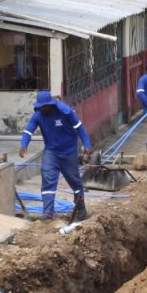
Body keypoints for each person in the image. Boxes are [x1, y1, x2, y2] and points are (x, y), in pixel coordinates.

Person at [19, 91, 92, 220]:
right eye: (40, 106)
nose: (43, 108)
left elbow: (79, 127)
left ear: (50, 104)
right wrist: (24, 144)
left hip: (69, 152)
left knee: (75, 182)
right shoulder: (38, 115)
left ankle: (81, 211)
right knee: (47, 179)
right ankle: (47, 213)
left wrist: (87, 145)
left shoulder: (66, 112)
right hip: (51, 152)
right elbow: (28, 131)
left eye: (44, 106)